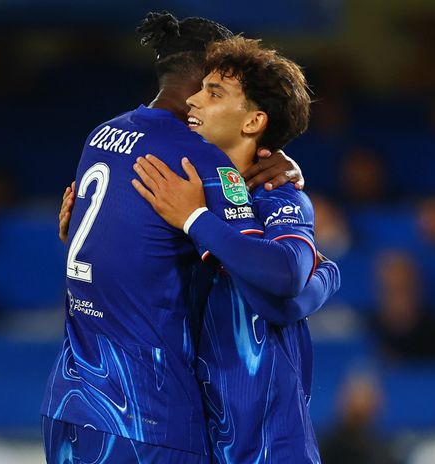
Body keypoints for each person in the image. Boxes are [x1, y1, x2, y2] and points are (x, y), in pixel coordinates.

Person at [41, 13, 310, 463]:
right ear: (203, 76)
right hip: (145, 412)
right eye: (214, 82)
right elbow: (278, 278)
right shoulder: (199, 161)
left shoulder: (101, 134)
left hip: (70, 399)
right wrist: (324, 273)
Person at [129, 37, 340, 462]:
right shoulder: (183, 190)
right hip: (196, 432)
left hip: (270, 443)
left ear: (252, 122)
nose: (192, 100)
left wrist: (196, 221)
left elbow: (283, 277)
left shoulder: (276, 196)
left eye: (213, 92)